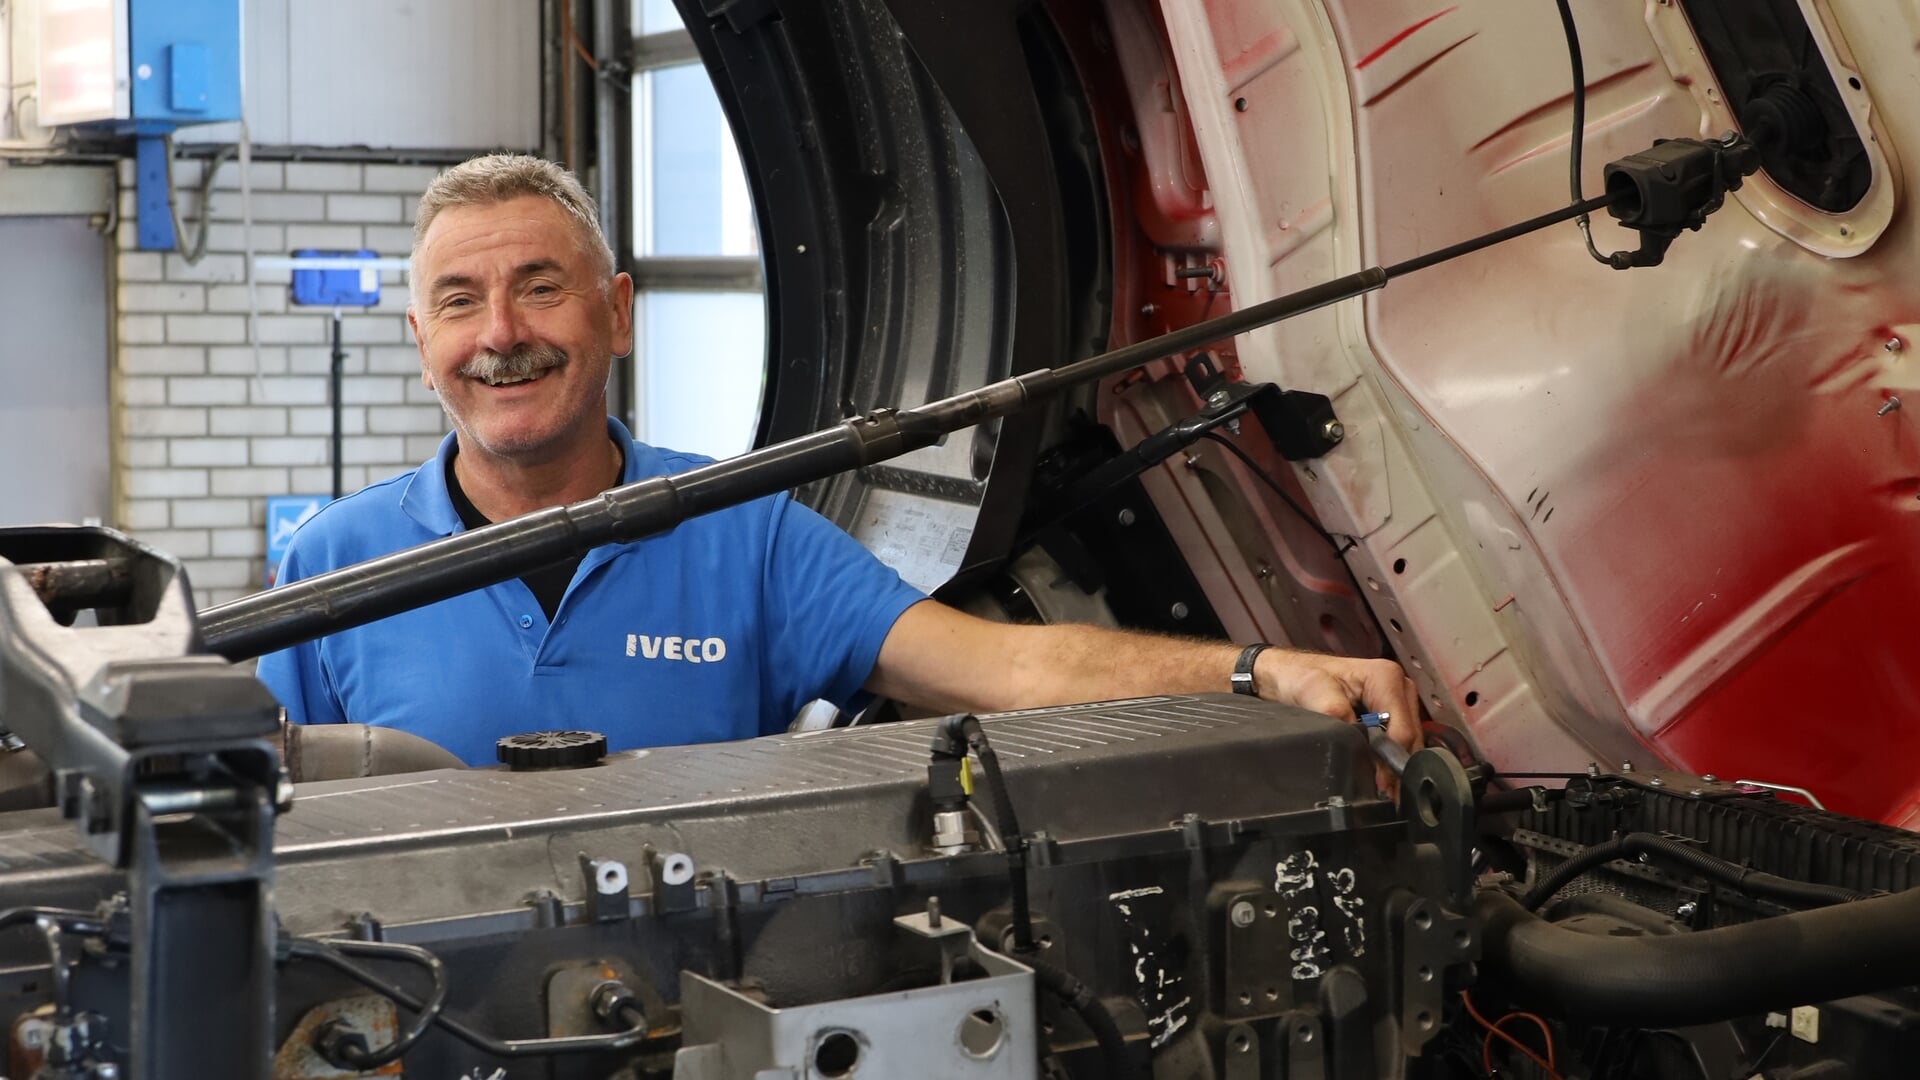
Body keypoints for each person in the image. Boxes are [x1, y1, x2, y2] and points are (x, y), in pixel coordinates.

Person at [256, 154, 1422, 780]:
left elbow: (1003, 671)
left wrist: (1258, 674)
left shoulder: (745, 534)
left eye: (541, 287)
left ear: (618, 315)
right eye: (460, 301)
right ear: (422, 346)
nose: (502, 331)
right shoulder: (333, 566)